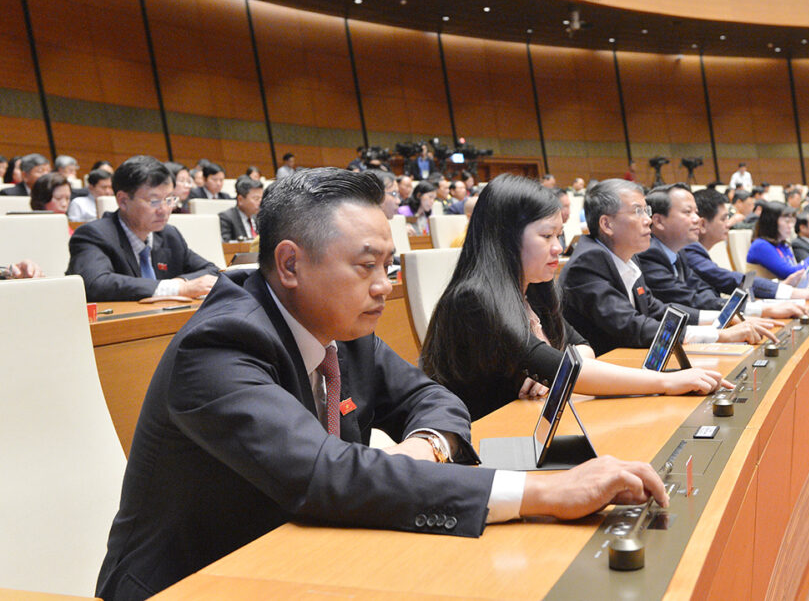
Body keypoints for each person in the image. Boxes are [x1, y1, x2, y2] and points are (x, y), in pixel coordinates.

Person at [95, 168, 668, 600]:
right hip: (198, 581)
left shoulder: (341, 327)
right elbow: (324, 475)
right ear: (290, 265)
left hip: (312, 559)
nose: (383, 286)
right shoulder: (220, 344)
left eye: (388, 265)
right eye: (365, 265)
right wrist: (541, 493)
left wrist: (428, 446)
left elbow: (432, 396)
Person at [421, 175, 731, 421]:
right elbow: (572, 370)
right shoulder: (474, 300)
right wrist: (667, 382)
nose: (559, 247)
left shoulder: (535, 288)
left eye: (558, 235)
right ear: (505, 238)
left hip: (529, 425)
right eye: (546, 236)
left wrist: (556, 369)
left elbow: (581, 346)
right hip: (487, 445)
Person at [559, 179, 776, 356]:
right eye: (637, 211)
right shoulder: (587, 263)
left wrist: (721, 319)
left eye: (646, 211)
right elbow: (632, 326)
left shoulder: (627, 257)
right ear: (607, 224)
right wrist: (718, 335)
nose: (648, 220)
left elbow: (656, 309)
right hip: (605, 373)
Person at [635, 184, 806, 319]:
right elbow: (688, 299)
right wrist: (757, 309)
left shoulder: (677, 252)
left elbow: (702, 289)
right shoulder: (650, 253)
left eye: (696, 212)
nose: (697, 219)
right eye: (687, 212)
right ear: (658, 221)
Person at [66, 155, 219, 302]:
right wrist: (176, 288)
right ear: (123, 201)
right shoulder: (94, 235)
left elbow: (211, 270)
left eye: (169, 199)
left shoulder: (169, 235)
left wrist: (182, 282)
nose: (164, 210)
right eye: (154, 201)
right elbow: (95, 283)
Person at [681, 189, 809, 303]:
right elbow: (728, 280)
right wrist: (790, 289)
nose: (728, 224)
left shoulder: (784, 244)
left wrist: (780, 287)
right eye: (723, 219)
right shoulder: (761, 245)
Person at [746, 202, 809, 279]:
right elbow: (790, 274)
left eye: (792, 222)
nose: (790, 226)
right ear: (772, 222)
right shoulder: (761, 246)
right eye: (787, 221)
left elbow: (794, 268)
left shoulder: (782, 244)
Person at [218, 176, 263, 241]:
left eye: (261, 198)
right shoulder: (226, 218)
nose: (260, 202)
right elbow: (226, 244)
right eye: (256, 198)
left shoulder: (258, 218)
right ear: (240, 199)